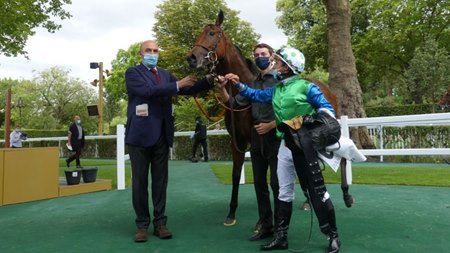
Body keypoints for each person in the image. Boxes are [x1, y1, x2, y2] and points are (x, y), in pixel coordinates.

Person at [217, 47, 341, 252]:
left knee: (316, 190)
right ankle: (281, 236)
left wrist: (304, 122)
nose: (276, 65)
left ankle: (332, 235)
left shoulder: (306, 87)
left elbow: (327, 111)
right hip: (285, 145)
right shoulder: (277, 89)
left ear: (290, 67)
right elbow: (254, 95)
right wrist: (237, 83)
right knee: (284, 190)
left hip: (304, 146)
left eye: (280, 62)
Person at [125, 39, 214, 243]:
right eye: (148, 50)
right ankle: (141, 225)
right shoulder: (133, 73)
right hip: (139, 137)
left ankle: (160, 223)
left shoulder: (164, 75)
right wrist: (176, 84)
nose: (152, 53)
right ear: (141, 54)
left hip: (162, 136)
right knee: (139, 183)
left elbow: (186, 89)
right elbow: (147, 92)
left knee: (160, 183)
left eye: (155, 50)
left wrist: (210, 80)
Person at [216, 43, 281, 241]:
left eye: (263, 54)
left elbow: (290, 110)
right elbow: (235, 104)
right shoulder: (253, 83)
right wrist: (223, 90)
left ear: (271, 56)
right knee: (259, 183)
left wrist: (270, 125)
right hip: (257, 139)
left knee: (277, 184)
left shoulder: (280, 81)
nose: (260, 57)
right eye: (257, 55)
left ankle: (281, 228)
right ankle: (265, 224)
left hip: (275, 137)